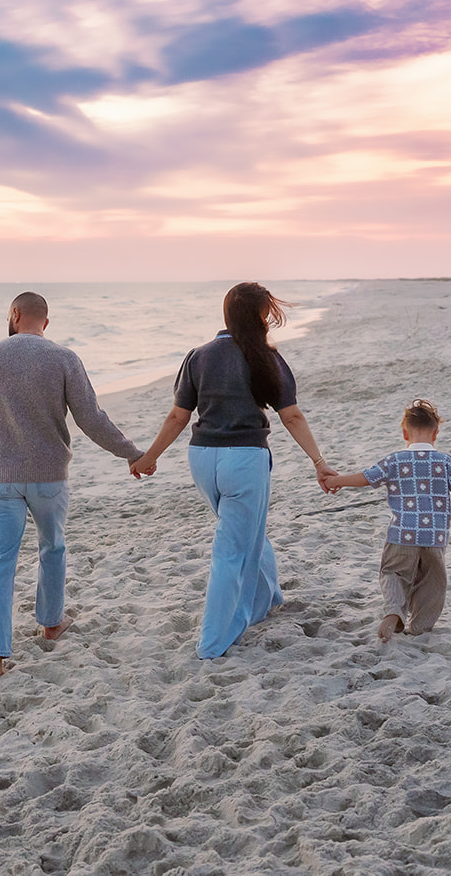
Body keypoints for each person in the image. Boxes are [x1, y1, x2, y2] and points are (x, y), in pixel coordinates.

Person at [132, 282, 336, 659]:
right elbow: (290, 414)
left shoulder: (198, 356)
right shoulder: (266, 357)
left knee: (245, 534)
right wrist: (319, 462)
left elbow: (179, 416)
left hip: (203, 459)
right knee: (231, 548)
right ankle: (214, 642)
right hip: (244, 460)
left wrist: (150, 456)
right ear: (261, 317)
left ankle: (265, 599)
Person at [0, 292, 145, 686]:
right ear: (45, 322)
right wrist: (130, 453)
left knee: (0, 561)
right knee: (53, 547)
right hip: (49, 476)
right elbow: (91, 419)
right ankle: (50, 624)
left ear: (14, 314)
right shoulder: (64, 358)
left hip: (2, 478)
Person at [321, 398, 451, 640]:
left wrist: (336, 481)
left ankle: (393, 612)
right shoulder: (445, 461)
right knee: (433, 584)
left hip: (402, 533)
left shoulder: (395, 460)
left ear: (404, 433)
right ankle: (420, 627)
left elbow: (366, 478)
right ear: (436, 433)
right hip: (434, 536)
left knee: (393, 574)